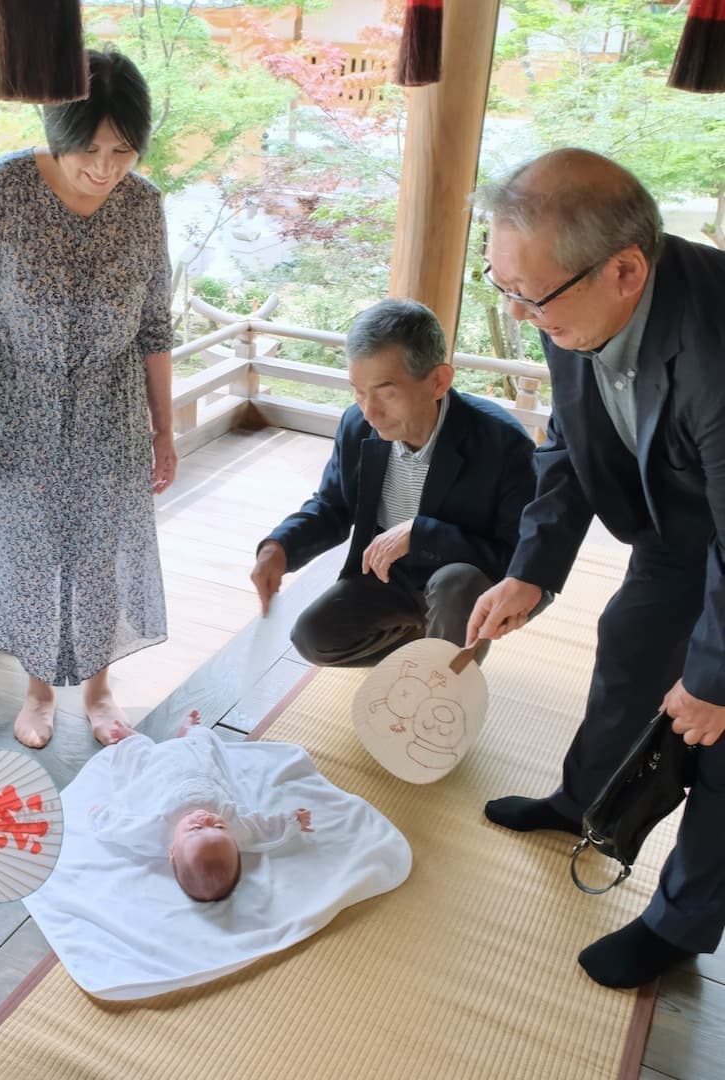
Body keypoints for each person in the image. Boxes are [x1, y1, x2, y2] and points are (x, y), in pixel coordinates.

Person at [466, 148, 725, 989]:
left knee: (715, 731)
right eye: (502, 288)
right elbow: (568, 442)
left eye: (529, 297)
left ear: (625, 269)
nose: (519, 313)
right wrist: (531, 570)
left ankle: (678, 923)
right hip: (680, 521)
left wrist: (715, 678)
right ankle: (586, 801)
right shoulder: (570, 303)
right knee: (630, 647)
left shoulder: (716, 345)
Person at [0, 48, 175, 751]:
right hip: (16, 406)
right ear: (56, 133)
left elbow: (154, 326)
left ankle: (100, 690)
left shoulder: (144, 207)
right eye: (89, 150)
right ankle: (39, 690)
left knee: (100, 549)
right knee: (29, 552)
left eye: (123, 150)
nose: (105, 168)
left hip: (111, 409)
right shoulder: (1, 193)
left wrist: (164, 430)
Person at [251, 298, 536, 665]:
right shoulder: (358, 424)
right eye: (358, 391)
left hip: (463, 584)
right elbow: (332, 506)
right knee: (313, 638)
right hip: (389, 575)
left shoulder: (502, 443)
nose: (370, 411)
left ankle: (446, 676)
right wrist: (279, 547)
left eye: (386, 391)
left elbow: (519, 557)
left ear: (438, 381)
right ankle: (426, 639)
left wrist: (421, 536)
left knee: (456, 585)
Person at [89, 714, 313, 902]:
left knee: (138, 755)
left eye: (195, 829)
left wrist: (101, 815)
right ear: (234, 840)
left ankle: (132, 738)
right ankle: (188, 730)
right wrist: (291, 821)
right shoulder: (235, 827)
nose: (206, 820)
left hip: (160, 769)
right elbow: (260, 830)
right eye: (218, 826)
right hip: (200, 764)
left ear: (173, 851)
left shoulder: (156, 829)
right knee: (206, 740)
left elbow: (123, 828)